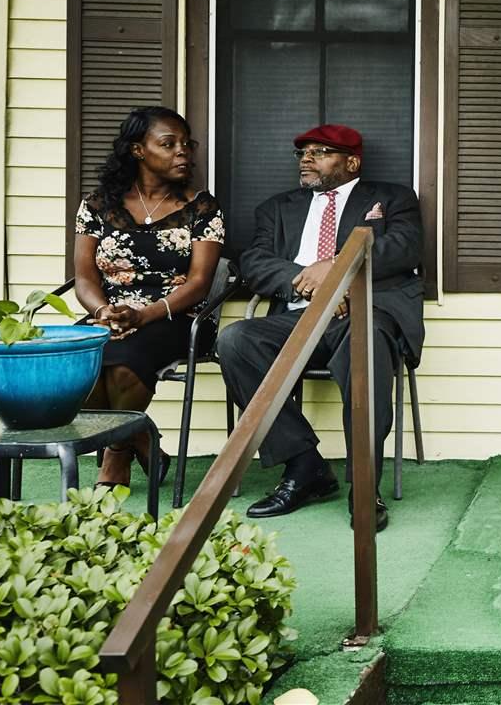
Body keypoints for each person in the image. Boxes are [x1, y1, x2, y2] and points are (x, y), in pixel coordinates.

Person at [217, 124, 424, 532]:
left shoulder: (392, 198)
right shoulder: (278, 208)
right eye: (303, 153)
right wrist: (309, 279)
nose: (307, 159)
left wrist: (337, 271)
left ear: (352, 162)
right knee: (236, 340)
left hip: (364, 312)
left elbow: (403, 247)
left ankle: (364, 486)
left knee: (365, 344)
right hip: (298, 317)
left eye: (320, 152)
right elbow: (256, 261)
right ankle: (305, 464)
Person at [73, 106, 225, 488]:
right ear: (139, 150)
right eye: (168, 144)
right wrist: (103, 310)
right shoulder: (97, 205)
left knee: (125, 364)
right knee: (76, 368)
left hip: (178, 317)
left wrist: (143, 315)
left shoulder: (202, 208)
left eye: (186, 144)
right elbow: (84, 277)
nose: (183, 152)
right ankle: (140, 434)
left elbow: (200, 283)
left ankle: (116, 457)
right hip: (110, 315)